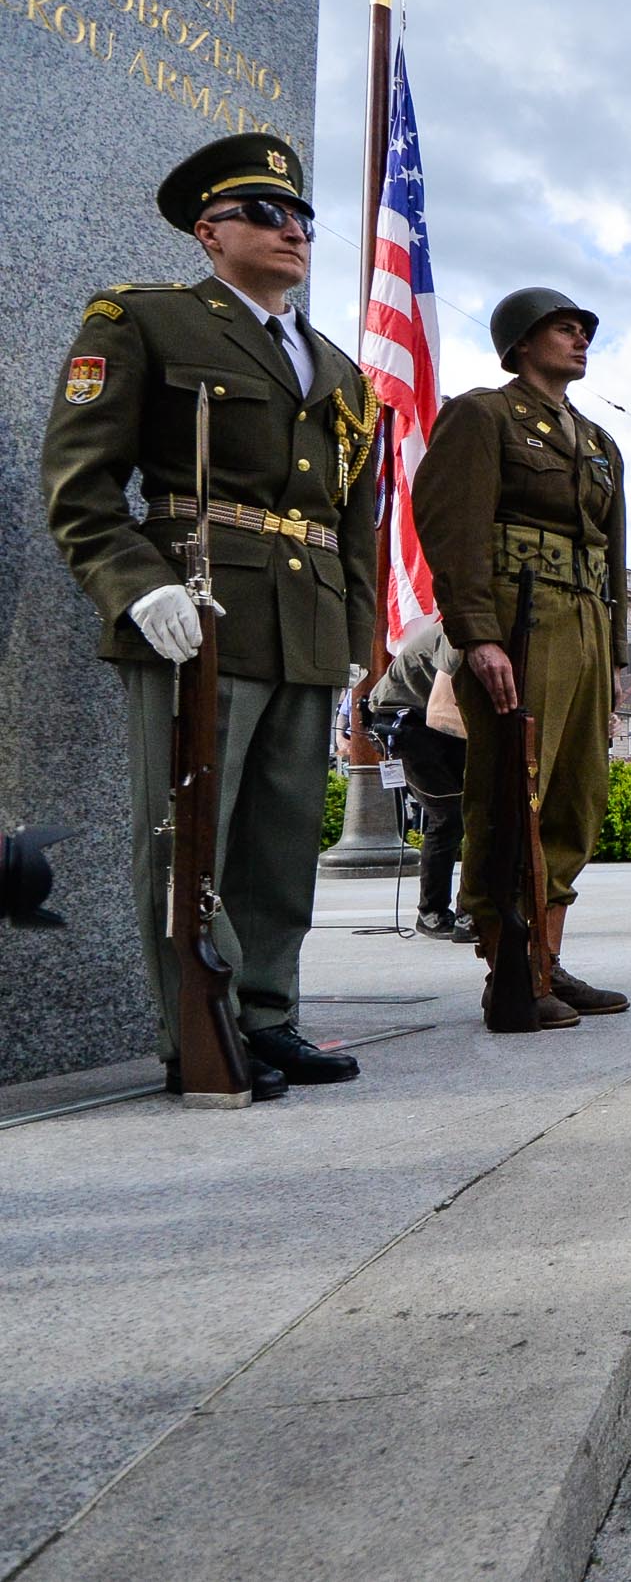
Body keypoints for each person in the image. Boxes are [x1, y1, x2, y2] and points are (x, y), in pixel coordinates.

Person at [40, 132, 374, 1099]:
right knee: (191, 832)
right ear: (209, 230)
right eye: (267, 214)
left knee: (279, 841)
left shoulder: (338, 370)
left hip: (305, 618)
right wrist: (132, 585)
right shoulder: (144, 321)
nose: (294, 231)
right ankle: (199, 1024)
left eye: (303, 217)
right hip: (195, 599)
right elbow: (80, 477)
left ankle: (269, 1017)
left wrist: (354, 639)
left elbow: (357, 517)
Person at [417, 286, 631, 1030]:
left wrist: (613, 664)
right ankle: (507, 966)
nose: (579, 338)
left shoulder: (600, 443)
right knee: (514, 790)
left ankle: (547, 958)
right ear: (521, 342)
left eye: (583, 329)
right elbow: (451, 523)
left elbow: (614, 557)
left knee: (575, 795)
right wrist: (476, 632)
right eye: (563, 328)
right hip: (518, 618)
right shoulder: (484, 414)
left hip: (583, 622)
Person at [366, 620, 471, 941]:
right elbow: (440, 712)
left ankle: (473, 910)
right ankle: (432, 912)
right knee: (449, 814)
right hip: (403, 716)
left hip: (442, 712)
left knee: (483, 807)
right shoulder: (464, 629)